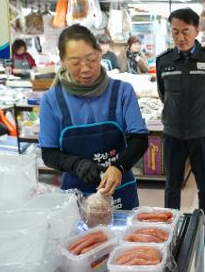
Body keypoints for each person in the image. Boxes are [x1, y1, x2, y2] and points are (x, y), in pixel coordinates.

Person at [39, 25, 149, 210]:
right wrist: (76, 164)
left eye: (91, 59)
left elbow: (140, 140)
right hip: (75, 196)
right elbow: (49, 153)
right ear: (63, 62)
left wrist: (118, 166)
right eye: (75, 63)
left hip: (119, 190)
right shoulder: (52, 100)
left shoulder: (122, 91)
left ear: (100, 53)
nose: (85, 69)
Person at [156, 8, 205, 249]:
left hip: (202, 134)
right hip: (173, 134)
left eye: (186, 31)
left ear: (197, 30)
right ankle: (171, 229)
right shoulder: (163, 61)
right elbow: (163, 94)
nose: (180, 37)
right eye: (175, 32)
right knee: (172, 186)